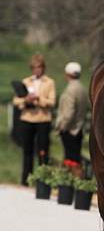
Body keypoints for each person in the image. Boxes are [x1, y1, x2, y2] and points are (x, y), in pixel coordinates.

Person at [12, 54, 56, 185]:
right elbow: (16, 100)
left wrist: (38, 99)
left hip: (43, 120)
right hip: (27, 119)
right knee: (27, 151)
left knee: (42, 151)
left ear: (43, 68)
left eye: (40, 67)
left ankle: (43, 180)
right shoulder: (26, 82)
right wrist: (26, 100)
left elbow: (52, 102)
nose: (38, 70)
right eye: (35, 68)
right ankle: (26, 180)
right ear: (32, 69)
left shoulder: (50, 82)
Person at [55, 62, 90, 169]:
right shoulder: (82, 89)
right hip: (79, 128)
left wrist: (62, 127)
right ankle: (76, 181)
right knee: (75, 158)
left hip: (70, 129)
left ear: (68, 74)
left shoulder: (70, 90)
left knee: (70, 160)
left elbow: (69, 113)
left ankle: (70, 183)